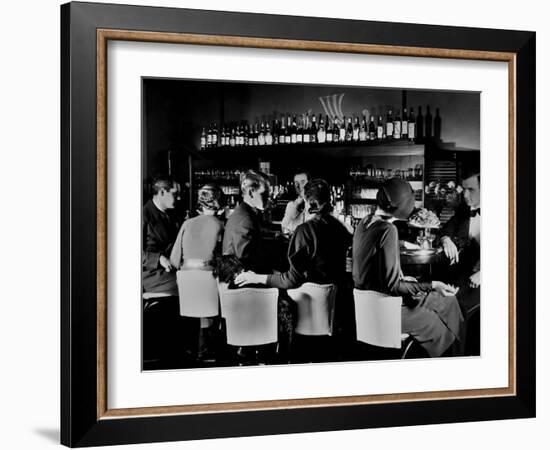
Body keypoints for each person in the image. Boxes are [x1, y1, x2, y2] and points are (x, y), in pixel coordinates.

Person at [352, 178, 463, 358]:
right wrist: (433, 284)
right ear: (402, 205)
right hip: (387, 310)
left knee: (448, 302)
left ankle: (459, 349)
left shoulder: (365, 222)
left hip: (369, 307)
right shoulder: (389, 230)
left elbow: (377, 269)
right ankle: (454, 359)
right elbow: (393, 286)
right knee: (439, 325)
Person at [235, 179, 351, 289]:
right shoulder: (340, 227)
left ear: (308, 203)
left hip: (307, 300)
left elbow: (292, 280)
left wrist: (256, 278)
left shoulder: (304, 230)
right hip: (334, 298)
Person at [169, 184, 225, 362]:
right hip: (208, 282)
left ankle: (193, 349)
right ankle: (208, 349)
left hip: (186, 281)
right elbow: (225, 260)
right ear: (219, 202)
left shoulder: (187, 223)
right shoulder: (221, 225)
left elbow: (174, 261)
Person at [438, 166, 481, 355]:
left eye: (470, 189)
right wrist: (446, 239)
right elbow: (446, 229)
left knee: (456, 307)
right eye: (463, 188)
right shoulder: (465, 210)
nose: (464, 194)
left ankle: (461, 357)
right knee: (443, 301)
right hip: (464, 275)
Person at [222, 170, 271, 273]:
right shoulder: (244, 219)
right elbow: (244, 261)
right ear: (251, 192)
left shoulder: (245, 212)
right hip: (242, 282)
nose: (268, 198)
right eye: (265, 194)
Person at [142, 176, 181, 295]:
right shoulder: (143, 215)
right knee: (190, 282)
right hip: (151, 274)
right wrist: (158, 258)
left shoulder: (172, 214)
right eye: (175, 194)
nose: (179, 198)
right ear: (162, 192)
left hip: (170, 269)